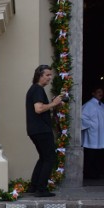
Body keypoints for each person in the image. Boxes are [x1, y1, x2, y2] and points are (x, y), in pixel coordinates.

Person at [25, 64, 65, 197]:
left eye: (50, 75)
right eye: (47, 75)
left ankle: (34, 186)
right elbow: (39, 109)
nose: (50, 78)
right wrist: (54, 103)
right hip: (41, 130)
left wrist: (53, 104)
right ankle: (41, 189)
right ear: (39, 75)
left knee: (43, 158)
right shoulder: (37, 89)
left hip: (35, 130)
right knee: (49, 158)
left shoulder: (35, 89)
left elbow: (41, 107)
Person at [81, 86, 104, 179]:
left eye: (101, 92)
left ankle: (97, 173)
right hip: (92, 135)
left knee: (98, 156)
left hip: (101, 135)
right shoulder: (88, 105)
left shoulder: (101, 105)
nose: (100, 93)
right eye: (98, 91)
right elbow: (82, 117)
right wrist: (92, 124)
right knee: (91, 156)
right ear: (93, 93)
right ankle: (89, 174)